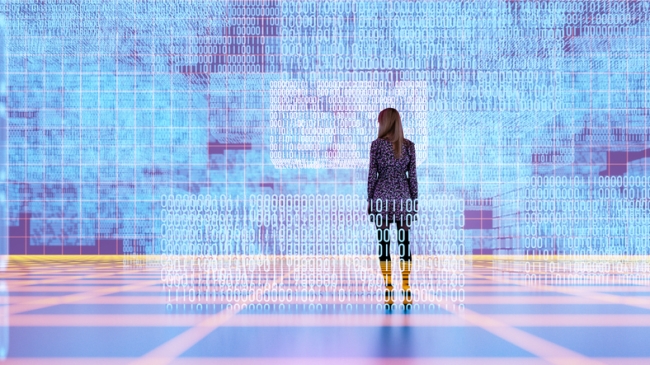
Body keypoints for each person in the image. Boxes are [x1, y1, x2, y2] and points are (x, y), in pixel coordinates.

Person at [367, 108, 418, 309]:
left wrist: (370, 201)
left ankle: (388, 288)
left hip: (382, 198)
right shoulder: (409, 146)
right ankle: (406, 288)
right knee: (404, 245)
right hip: (403, 198)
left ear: (384, 122)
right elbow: (412, 177)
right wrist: (414, 201)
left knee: (384, 245)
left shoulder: (376, 146)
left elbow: (372, 175)